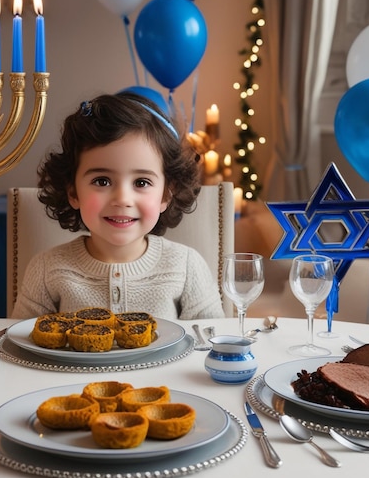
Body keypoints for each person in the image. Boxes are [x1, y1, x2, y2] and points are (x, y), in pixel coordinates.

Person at [12, 92, 225, 320]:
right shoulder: (46, 269)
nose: (122, 199)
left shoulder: (187, 267)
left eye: (141, 182)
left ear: (166, 194)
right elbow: (20, 342)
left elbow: (213, 340)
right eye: (102, 181)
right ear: (73, 192)